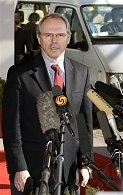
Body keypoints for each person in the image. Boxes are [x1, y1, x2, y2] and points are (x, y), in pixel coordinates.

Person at [2, 13, 93, 195]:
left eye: (59, 35)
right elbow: (12, 126)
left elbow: (83, 122)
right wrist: (18, 168)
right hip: (32, 172)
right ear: (38, 37)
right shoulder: (19, 75)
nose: (54, 41)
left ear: (68, 38)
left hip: (69, 172)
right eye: (48, 35)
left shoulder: (82, 72)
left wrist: (85, 163)